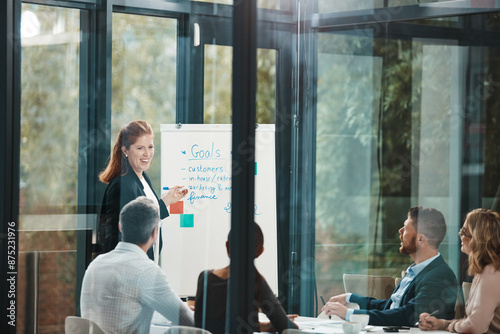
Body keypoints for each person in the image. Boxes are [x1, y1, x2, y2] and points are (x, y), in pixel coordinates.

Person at [322, 206, 457, 326]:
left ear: (421, 239)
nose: (400, 230)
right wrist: (350, 298)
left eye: (406, 227)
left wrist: (349, 314)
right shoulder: (415, 271)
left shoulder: (440, 275)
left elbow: (406, 316)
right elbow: (390, 308)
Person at [81, 196, 194, 333]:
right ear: (154, 232)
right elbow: (189, 322)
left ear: (120, 227)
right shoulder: (147, 271)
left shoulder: (96, 265)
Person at [98, 120, 187, 261]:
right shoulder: (122, 184)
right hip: (131, 269)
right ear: (125, 150)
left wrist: (166, 201)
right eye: (140, 148)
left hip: (145, 262)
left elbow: (143, 217)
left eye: (150, 147)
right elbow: (118, 236)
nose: (147, 154)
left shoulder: (141, 176)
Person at [194, 222, 298, 334]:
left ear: (227, 246)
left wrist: (262, 326)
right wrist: (276, 324)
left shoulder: (205, 278)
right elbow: (287, 327)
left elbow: (202, 326)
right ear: (260, 252)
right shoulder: (256, 281)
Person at [418, 208, 500, 333]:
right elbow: (470, 322)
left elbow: (474, 327)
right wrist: (441, 323)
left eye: (463, 231)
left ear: (477, 238)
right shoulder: (483, 271)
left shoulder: (491, 274)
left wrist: (451, 326)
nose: (459, 235)